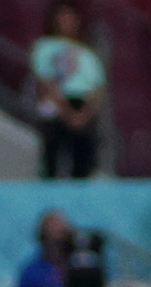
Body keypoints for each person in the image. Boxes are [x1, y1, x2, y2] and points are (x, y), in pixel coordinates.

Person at [28, 2, 104, 180]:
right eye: (62, 17)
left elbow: (98, 87)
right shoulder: (44, 46)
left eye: (69, 18)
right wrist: (67, 111)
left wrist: (84, 114)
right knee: (52, 154)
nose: (65, 22)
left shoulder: (87, 53)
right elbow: (44, 80)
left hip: (81, 104)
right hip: (56, 103)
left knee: (83, 158)